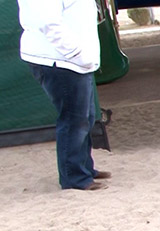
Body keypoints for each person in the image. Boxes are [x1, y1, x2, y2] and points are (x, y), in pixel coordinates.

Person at [18, 0, 111, 191]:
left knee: (86, 117)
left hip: (73, 61)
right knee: (73, 120)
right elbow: (48, 22)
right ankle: (74, 178)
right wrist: (76, 53)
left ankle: (84, 168)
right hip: (60, 60)